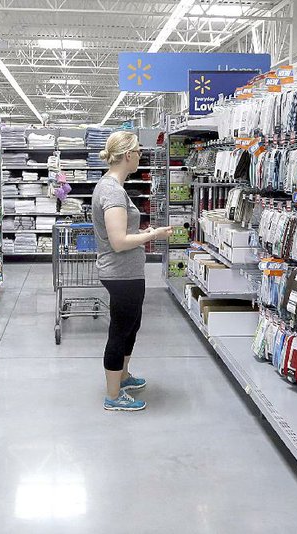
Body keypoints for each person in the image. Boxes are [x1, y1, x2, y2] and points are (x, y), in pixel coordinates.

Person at [92, 131, 173, 411]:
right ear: (128, 155)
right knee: (120, 331)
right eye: (139, 151)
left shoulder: (113, 187)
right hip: (121, 273)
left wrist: (142, 232)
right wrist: (154, 235)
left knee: (131, 327)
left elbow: (123, 233)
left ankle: (123, 377)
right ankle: (113, 397)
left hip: (127, 272)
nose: (141, 155)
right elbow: (118, 242)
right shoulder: (112, 191)